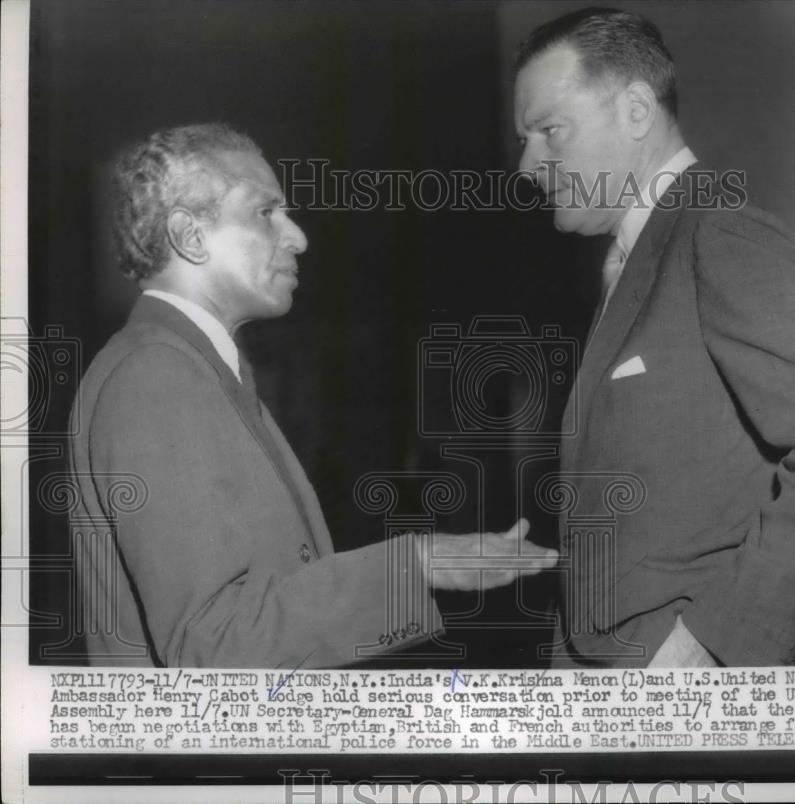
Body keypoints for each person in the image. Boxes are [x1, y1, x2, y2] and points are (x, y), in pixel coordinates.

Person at [68, 123, 555, 668]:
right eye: (264, 212)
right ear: (191, 236)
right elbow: (216, 647)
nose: (298, 236)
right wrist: (413, 565)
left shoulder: (194, 367)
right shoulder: (158, 377)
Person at [513, 9, 795, 667]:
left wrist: (713, 643)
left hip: (697, 701)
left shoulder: (716, 233)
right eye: (525, 139)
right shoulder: (639, 258)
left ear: (637, 111)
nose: (528, 164)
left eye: (550, 131)